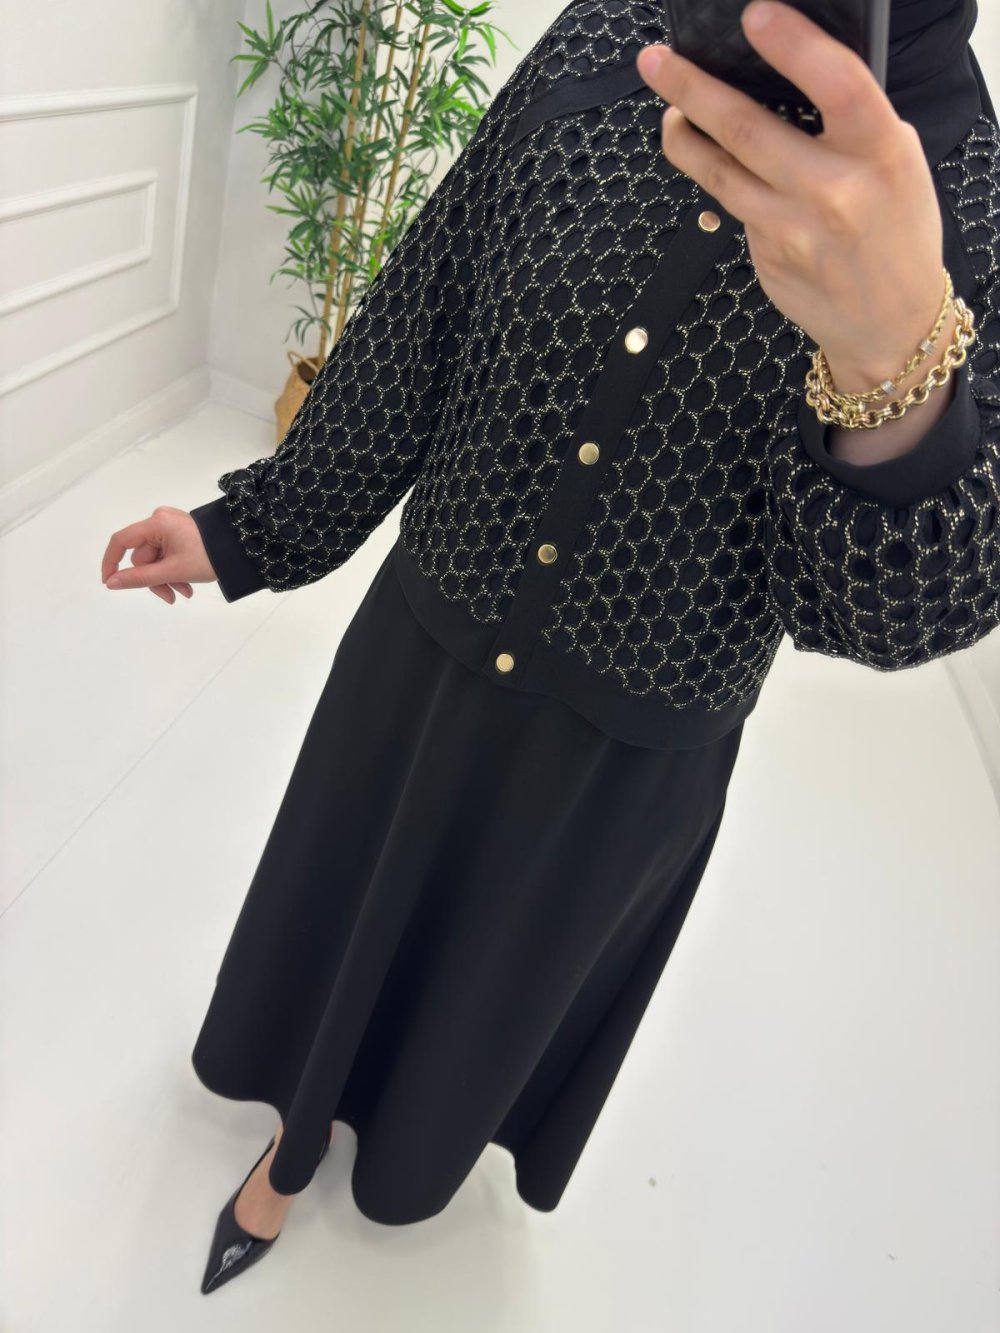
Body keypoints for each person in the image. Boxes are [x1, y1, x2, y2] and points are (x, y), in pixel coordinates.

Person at [101, 0, 999, 1296]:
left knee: (477, 990)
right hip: (425, 646)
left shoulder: (962, 186)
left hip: (619, 753)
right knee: (341, 920)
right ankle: (290, 1150)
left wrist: (894, 375)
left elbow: (889, 613)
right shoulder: (608, 38)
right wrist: (250, 529)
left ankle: (394, 1163)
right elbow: (429, 297)